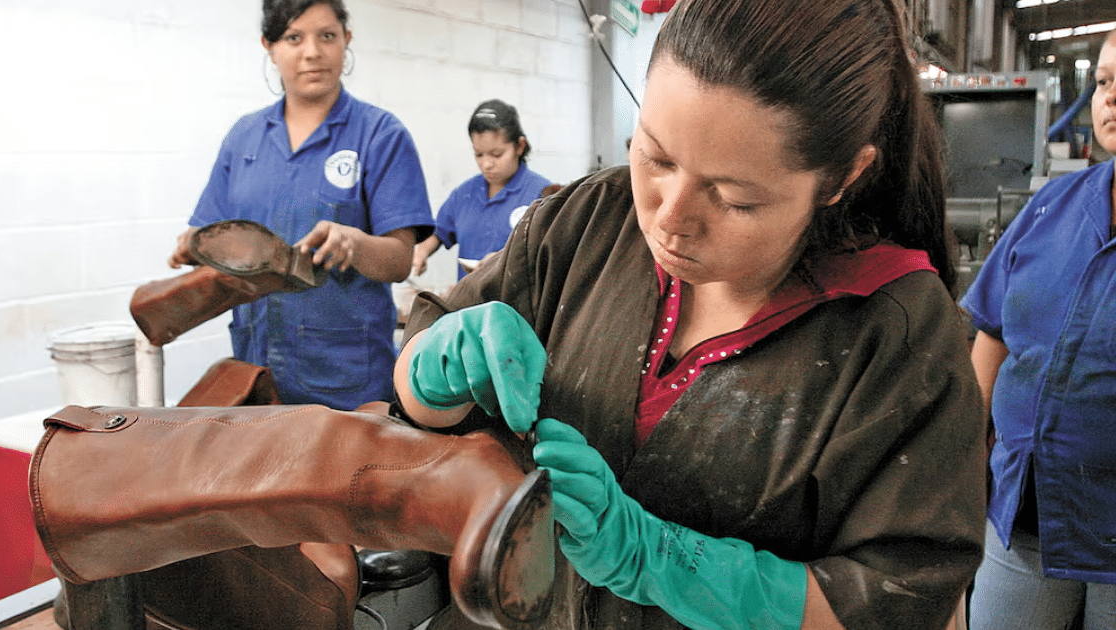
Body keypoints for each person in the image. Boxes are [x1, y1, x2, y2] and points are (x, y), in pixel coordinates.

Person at [392, 0, 987, 628]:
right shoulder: (587, 223)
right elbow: (414, 395)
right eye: (656, 157)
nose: (670, 220)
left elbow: (896, 599)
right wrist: (434, 376)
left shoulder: (895, 333)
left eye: (733, 198)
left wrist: (657, 558)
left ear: (842, 178)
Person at [167, 0, 433, 408]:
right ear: (270, 47)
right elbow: (207, 231)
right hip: (257, 373)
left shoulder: (380, 135)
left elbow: (400, 260)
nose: (312, 52)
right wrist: (193, 246)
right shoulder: (244, 139)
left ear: (346, 39)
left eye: (326, 36)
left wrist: (353, 243)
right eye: (294, 38)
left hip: (347, 382)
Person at [962, 29, 1116, 630]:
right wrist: (966, 461)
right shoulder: (1053, 207)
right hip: (1026, 518)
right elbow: (994, 335)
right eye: (1103, 82)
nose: (1110, 97)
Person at [411, 99, 551, 279]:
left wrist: (503, 260)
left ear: (520, 146)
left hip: (515, 296)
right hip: (470, 295)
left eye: (496, 154)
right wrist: (422, 252)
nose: (486, 164)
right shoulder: (464, 194)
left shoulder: (542, 194)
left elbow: (550, 255)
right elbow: (440, 232)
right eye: (479, 154)